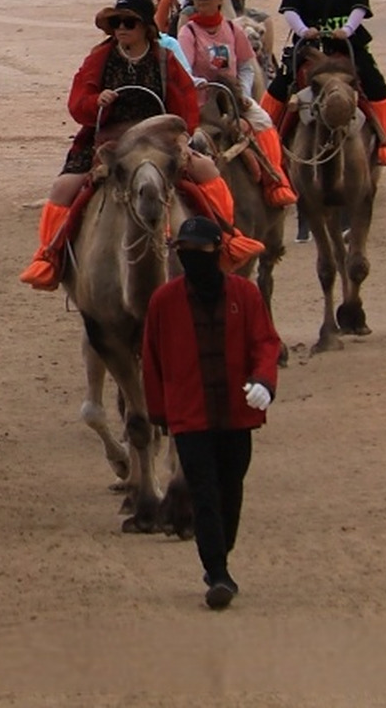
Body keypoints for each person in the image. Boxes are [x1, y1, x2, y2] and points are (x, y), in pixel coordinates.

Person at [18, 0, 262, 289]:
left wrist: (182, 136)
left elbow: (184, 102)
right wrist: (96, 100)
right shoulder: (100, 58)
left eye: (129, 23)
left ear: (145, 26)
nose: (121, 28)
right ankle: (49, 257)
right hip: (110, 140)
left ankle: (227, 240)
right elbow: (77, 101)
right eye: (117, 22)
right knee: (63, 188)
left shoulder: (164, 59)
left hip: (158, 136)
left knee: (207, 172)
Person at [141, 216, 282, 611]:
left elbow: (265, 343)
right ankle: (217, 571)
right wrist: (158, 412)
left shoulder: (246, 295)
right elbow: (151, 360)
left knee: (231, 485)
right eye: (184, 253)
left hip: (237, 413)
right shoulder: (163, 302)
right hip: (191, 416)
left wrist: (264, 381)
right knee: (203, 490)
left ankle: (220, 549)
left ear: (219, 254)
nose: (192, 260)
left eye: (200, 253)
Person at [262, 0, 386, 165]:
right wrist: (304, 31)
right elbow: (290, 11)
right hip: (309, 49)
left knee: (376, 85)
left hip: (348, 47)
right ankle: (267, 145)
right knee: (279, 87)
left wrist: (347, 29)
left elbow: (360, 9)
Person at [179, 0, 294, 207]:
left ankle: (276, 182)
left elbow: (246, 66)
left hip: (232, 96)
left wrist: (242, 89)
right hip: (201, 101)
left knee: (264, 123)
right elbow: (183, 70)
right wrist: (198, 83)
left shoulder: (233, 30)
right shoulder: (187, 33)